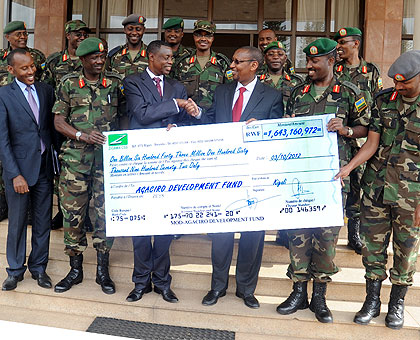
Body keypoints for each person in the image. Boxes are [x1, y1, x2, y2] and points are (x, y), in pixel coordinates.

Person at [276, 38, 369, 323]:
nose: (309, 66)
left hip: (333, 179)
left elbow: (366, 127)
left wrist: (347, 130)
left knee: (327, 237)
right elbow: (284, 127)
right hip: (301, 178)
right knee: (298, 233)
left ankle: (320, 297)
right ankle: (298, 292)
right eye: (308, 61)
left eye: (315, 61)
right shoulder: (298, 92)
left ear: (331, 61)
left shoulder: (349, 92)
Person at [335, 50, 420, 330]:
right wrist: (348, 167)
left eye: (404, 83)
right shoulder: (384, 100)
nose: (398, 87)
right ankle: (371, 301)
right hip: (376, 189)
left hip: (412, 197)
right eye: (395, 82)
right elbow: (372, 144)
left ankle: (397, 303)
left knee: (406, 251)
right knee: (373, 249)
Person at [200, 46, 283, 309]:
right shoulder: (223, 91)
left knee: (253, 234)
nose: (232, 66)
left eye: (238, 62)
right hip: (224, 174)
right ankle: (218, 286)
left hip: (255, 177)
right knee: (221, 232)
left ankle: (246, 289)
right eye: (233, 61)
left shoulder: (272, 96)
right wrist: (197, 114)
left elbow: (278, 133)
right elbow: (211, 122)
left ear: (254, 66)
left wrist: (263, 129)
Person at [123, 40, 199, 303]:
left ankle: (163, 282)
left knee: (166, 223)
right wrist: (176, 105)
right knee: (141, 224)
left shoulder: (178, 86)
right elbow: (142, 114)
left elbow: (186, 120)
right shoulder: (132, 82)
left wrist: (184, 118)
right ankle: (141, 281)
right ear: (151, 57)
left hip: (169, 166)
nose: (170, 62)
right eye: (165, 58)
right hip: (141, 164)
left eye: (172, 58)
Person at [52, 38, 125, 295]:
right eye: (93, 57)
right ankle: (75, 269)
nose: (99, 61)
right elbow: (59, 121)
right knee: (73, 217)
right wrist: (82, 135)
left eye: (102, 57)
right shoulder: (68, 83)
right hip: (76, 161)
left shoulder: (115, 83)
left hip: (107, 162)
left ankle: (102, 271)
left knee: (106, 215)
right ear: (82, 59)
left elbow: (126, 117)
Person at [0, 49, 55, 291]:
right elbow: (2, 140)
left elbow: (50, 128)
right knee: (18, 222)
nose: (31, 71)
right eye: (24, 68)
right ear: (11, 70)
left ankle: (39, 268)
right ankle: (14, 270)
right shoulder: (3, 95)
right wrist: (15, 174)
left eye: (32, 66)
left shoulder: (45, 90)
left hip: (44, 168)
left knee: (43, 222)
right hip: (19, 172)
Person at [333, 27, 383, 254]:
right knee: (340, 182)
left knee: (359, 187)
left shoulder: (370, 71)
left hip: (364, 138)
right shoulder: (334, 69)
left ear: (356, 44)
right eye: (338, 42)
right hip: (339, 138)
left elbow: (377, 103)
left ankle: (354, 234)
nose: (339, 47)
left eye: (343, 42)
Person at [42, 19, 90, 231]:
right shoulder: (54, 61)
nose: (80, 37)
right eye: (77, 34)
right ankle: (63, 211)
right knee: (61, 172)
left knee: (84, 171)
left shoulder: (87, 60)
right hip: (60, 125)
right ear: (68, 36)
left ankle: (84, 214)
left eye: (83, 35)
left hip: (83, 124)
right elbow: (45, 90)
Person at [0, 21, 46, 222]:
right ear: (7, 37)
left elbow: (42, 85)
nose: (23, 37)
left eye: (25, 34)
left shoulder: (37, 56)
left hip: (28, 118)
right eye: (18, 34)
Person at [174, 20, 231, 114]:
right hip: (186, 118)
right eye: (199, 35)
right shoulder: (182, 63)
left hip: (214, 118)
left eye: (208, 35)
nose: (203, 39)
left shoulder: (222, 63)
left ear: (212, 38)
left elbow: (229, 93)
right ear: (194, 37)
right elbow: (174, 91)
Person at [106, 14, 148, 78]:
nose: (134, 33)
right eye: (130, 29)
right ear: (125, 30)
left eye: (138, 29)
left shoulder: (151, 55)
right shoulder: (114, 55)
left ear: (144, 30)